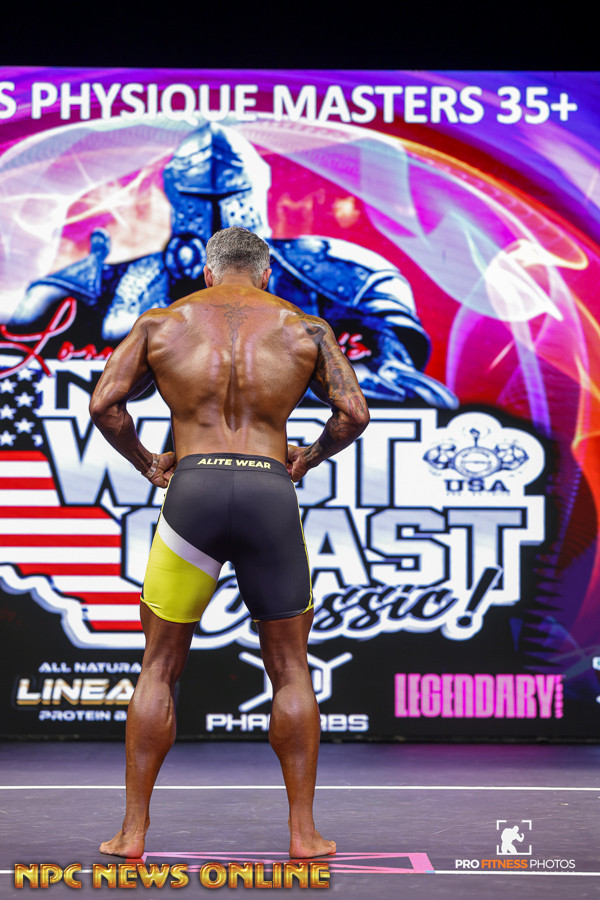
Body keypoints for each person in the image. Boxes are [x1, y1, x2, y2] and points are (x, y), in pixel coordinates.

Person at [89, 225, 370, 860]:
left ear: (208, 273)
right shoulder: (305, 328)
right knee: (291, 668)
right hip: (270, 492)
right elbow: (353, 413)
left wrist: (149, 464)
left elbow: (106, 405)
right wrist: (306, 457)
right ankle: (303, 834)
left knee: (159, 666)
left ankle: (132, 833)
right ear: (266, 274)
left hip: (194, 491)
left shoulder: (162, 322)